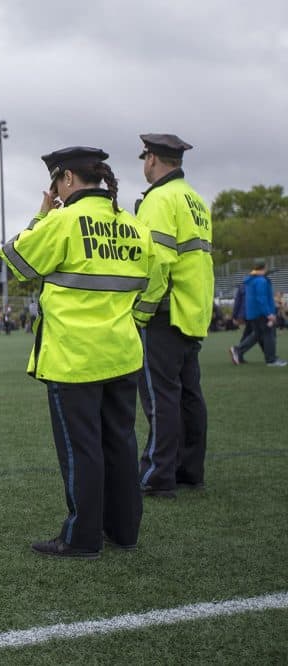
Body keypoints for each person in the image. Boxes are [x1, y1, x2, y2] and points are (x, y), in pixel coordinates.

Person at [0, 146, 152, 558]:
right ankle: (124, 532)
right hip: (122, 352)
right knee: (120, 444)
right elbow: (149, 286)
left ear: (65, 179)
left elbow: (15, 258)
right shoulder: (134, 225)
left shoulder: (63, 220)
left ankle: (81, 537)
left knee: (81, 449)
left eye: (55, 184)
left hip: (73, 358)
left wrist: (43, 213)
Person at [131, 134, 215, 498]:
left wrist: (140, 313)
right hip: (192, 309)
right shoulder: (195, 199)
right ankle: (189, 469)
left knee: (160, 396)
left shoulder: (158, 199)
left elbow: (158, 262)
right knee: (189, 396)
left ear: (152, 158)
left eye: (144, 157)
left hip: (164, 311)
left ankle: (157, 474)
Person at [230, 260, 287, 367]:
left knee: (257, 335)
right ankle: (271, 359)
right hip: (261, 313)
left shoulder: (251, 280)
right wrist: (269, 313)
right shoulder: (261, 281)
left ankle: (238, 350)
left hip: (253, 313)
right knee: (269, 335)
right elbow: (262, 298)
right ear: (265, 267)